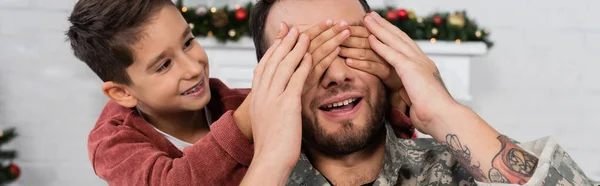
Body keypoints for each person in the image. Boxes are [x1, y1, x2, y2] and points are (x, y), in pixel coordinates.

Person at [242, 0, 599, 185]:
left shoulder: (456, 170)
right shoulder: (240, 178)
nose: (336, 74)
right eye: (307, 57)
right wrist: (270, 162)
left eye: (352, 46)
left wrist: (444, 112)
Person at [66, 0, 414, 185]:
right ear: (121, 92)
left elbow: (332, 130)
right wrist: (250, 116)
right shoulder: (113, 143)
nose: (192, 66)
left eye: (188, 42)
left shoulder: (230, 101)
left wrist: (397, 94)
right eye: (163, 65)